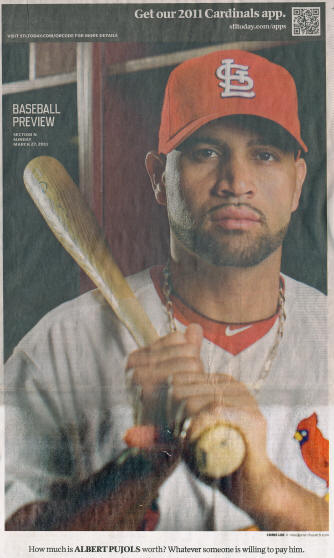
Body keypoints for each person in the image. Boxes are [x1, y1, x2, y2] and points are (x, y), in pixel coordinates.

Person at [5, 49, 328, 531]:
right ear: (159, 177)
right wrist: (146, 459)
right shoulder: (59, 347)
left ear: (299, 181)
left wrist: (267, 492)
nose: (236, 182)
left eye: (264, 154)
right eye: (206, 152)